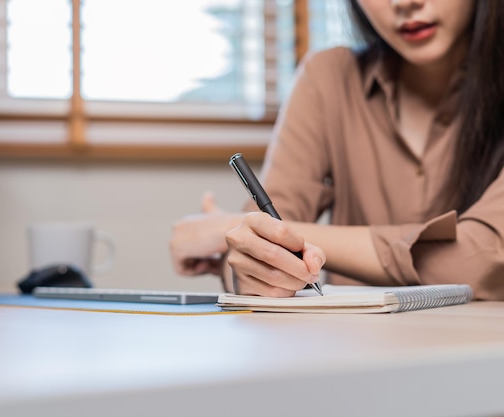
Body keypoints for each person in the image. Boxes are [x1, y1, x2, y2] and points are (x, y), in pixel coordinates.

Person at [169, 0, 504, 300]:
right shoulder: (328, 78)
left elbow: (483, 259)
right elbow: (265, 240)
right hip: (345, 355)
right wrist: (249, 261)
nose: (404, 3)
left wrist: (224, 226)